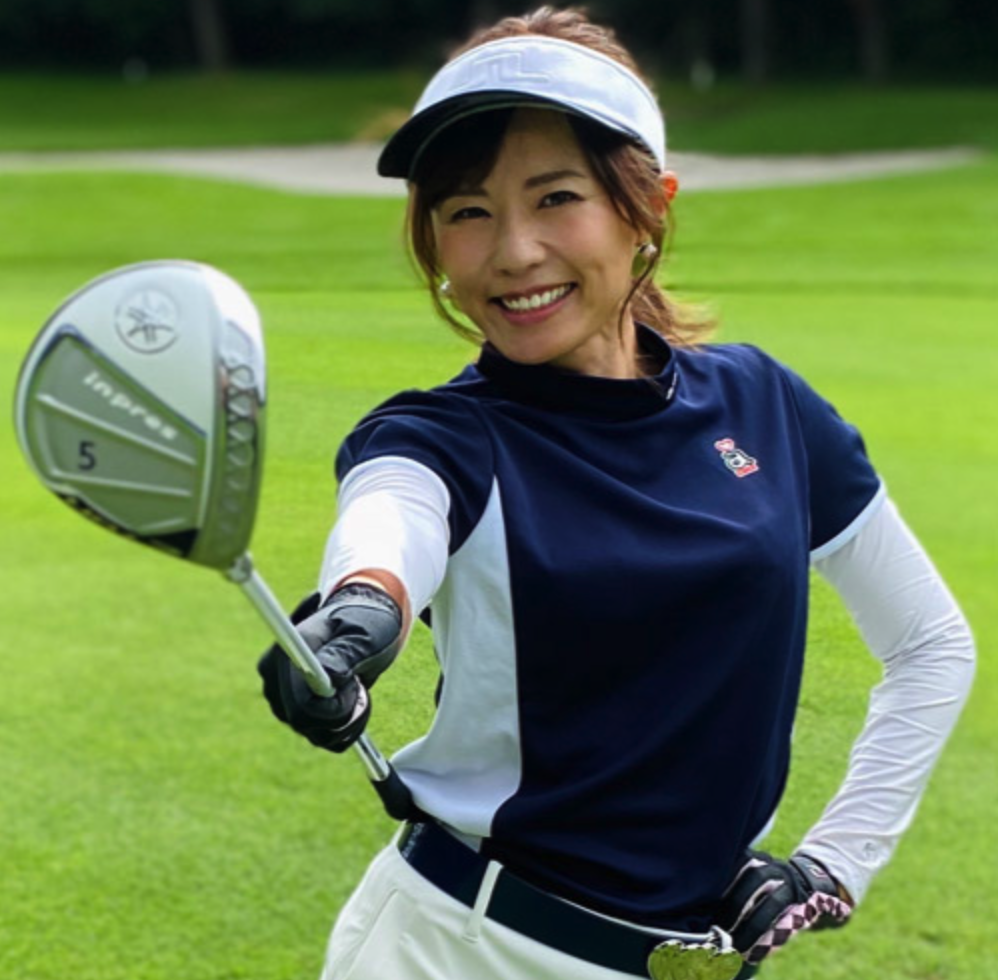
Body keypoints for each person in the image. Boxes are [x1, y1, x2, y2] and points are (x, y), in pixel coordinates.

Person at [257, 8, 976, 980]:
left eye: (555, 197)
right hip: (456, 950)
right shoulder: (439, 437)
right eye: (466, 211)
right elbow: (391, 521)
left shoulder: (764, 405)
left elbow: (930, 643)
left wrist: (831, 863)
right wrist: (360, 612)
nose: (513, 251)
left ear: (647, 209)